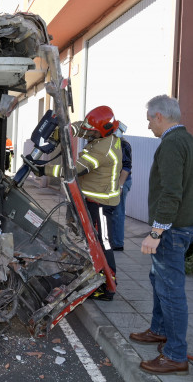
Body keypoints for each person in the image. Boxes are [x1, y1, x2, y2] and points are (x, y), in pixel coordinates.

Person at [131, 94, 193, 376]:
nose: (148, 124)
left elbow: (171, 192)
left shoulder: (172, 145)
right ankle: (159, 330)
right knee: (158, 278)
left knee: (170, 289)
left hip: (172, 229)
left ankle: (175, 354)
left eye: (150, 119)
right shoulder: (192, 143)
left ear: (160, 116)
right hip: (183, 225)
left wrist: (156, 232)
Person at [70, 105, 122, 301]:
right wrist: (68, 129)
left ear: (103, 130)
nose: (88, 133)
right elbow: (84, 128)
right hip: (94, 200)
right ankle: (99, 277)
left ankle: (109, 285)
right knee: (94, 242)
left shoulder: (102, 149)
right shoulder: (104, 136)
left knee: (103, 243)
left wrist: (44, 169)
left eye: (93, 130)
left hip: (101, 203)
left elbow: (75, 169)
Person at [110, 136, 132, 250]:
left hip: (121, 181)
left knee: (118, 212)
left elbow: (126, 167)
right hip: (110, 181)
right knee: (110, 213)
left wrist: (120, 185)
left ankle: (118, 244)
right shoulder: (105, 143)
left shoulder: (123, 144)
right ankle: (110, 241)